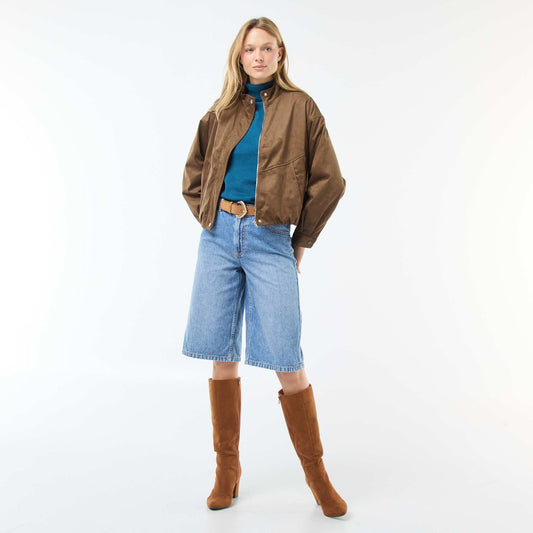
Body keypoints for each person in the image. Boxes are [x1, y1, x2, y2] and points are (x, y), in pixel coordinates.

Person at [181, 16, 347, 518]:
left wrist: (300, 242)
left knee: (286, 358)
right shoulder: (220, 111)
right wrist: (211, 218)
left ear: (280, 54)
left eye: (267, 48)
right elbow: (193, 175)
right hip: (217, 238)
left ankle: (317, 476)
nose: (258, 56)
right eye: (250, 48)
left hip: (270, 237)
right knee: (220, 352)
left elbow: (330, 180)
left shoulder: (301, 107)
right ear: (240, 55)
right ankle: (226, 470)